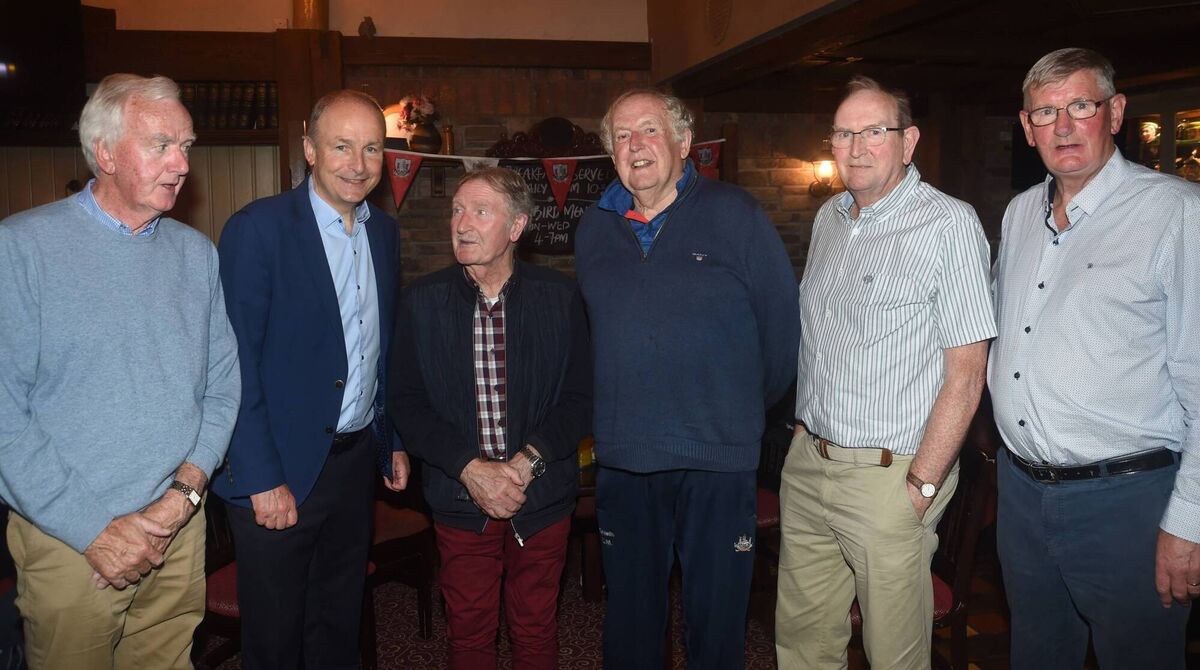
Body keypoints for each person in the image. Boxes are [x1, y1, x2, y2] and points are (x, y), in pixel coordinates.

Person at [0, 73, 241, 668]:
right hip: (69, 542)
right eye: (161, 144)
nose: (181, 163)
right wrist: (93, 529)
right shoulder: (22, 249)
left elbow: (223, 386)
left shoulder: (195, 253)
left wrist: (183, 497)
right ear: (104, 152)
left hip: (177, 531)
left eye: (186, 145)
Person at [575, 89, 800, 669]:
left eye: (650, 130)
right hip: (625, 462)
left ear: (682, 143)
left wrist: (733, 415)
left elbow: (783, 336)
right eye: (622, 136)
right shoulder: (594, 230)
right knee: (630, 627)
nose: (636, 145)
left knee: (716, 626)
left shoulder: (737, 215)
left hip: (718, 462)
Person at [990, 47, 1200, 670]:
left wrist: (1188, 522)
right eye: (1045, 112)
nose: (1062, 126)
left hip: (1128, 505)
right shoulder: (1020, 212)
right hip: (1022, 496)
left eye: (1079, 106)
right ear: (1027, 129)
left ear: (1115, 113)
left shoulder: (1176, 213)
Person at [776, 75, 996, 669]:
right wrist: (803, 433)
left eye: (875, 131)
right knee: (802, 645)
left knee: (894, 657)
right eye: (843, 133)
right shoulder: (828, 219)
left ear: (909, 141)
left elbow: (968, 375)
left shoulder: (947, 225)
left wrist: (920, 488)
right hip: (809, 464)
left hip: (889, 476)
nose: (856, 146)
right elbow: (822, 340)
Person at [212, 89, 407, 669]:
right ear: (310, 150)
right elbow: (233, 364)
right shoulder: (258, 229)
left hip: (351, 465)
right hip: (280, 471)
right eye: (341, 146)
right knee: (275, 643)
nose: (358, 163)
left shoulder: (383, 235)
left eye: (372, 148)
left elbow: (379, 349)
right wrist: (261, 477)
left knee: (337, 625)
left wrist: (387, 438)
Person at [390, 167, 592, 669]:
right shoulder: (421, 301)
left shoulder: (561, 297)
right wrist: (469, 468)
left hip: (541, 495)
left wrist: (528, 462)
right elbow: (406, 402)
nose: (462, 223)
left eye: (480, 212)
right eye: (457, 210)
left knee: (535, 628)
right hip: (460, 496)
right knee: (470, 634)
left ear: (517, 227)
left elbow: (582, 397)